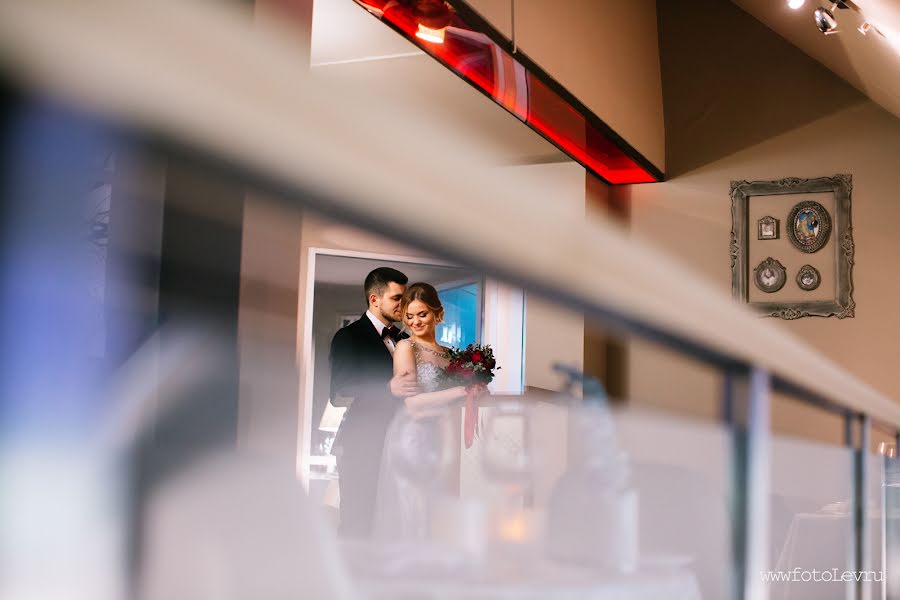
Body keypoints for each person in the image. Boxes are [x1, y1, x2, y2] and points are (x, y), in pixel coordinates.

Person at [373, 282, 470, 540]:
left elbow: (456, 402)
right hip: (413, 437)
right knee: (415, 512)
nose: (415, 321)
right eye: (410, 315)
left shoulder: (450, 354)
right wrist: (461, 392)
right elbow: (412, 403)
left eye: (422, 314)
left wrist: (476, 392)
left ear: (437, 313)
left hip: (442, 437)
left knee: (440, 509)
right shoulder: (407, 347)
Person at [329, 267, 418, 538]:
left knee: (395, 522)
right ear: (374, 300)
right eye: (397, 298)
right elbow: (339, 392)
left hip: (401, 443)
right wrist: (386, 388)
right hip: (362, 443)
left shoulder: (405, 341)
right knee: (359, 519)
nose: (403, 305)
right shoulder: (348, 337)